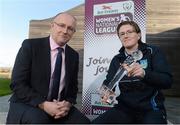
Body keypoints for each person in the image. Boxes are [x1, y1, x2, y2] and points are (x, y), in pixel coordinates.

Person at [6, 12, 90, 124]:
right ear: (52, 26)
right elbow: (17, 83)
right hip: (28, 103)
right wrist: (44, 104)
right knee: (40, 121)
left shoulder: (73, 55)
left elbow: (73, 88)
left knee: (83, 122)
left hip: (58, 106)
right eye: (61, 25)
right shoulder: (30, 46)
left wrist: (68, 104)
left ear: (73, 32)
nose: (65, 31)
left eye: (70, 28)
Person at [92, 21, 173, 124]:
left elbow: (167, 81)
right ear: (120, 38)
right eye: (122, 34)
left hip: (151, 109)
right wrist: (105, 92)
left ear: (138, 35)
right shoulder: (117, 59)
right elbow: (109, 82)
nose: (126, 36)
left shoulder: (153, 52)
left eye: (129, 32)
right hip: (124, 109)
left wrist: (144, 74)